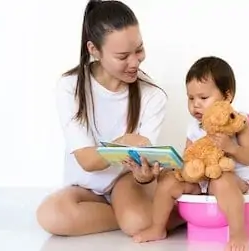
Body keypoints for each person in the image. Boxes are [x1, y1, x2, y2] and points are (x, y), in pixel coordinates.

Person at [36, 0, 184, 237]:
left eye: (139, 50)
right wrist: (125, 141)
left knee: (136, 222)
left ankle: (149, 215)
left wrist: (144, 176)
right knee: (51, 215)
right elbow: (87, 160)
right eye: (123, 56)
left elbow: (143, 160)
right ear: (94, 50)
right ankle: (144, 215)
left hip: (125, 180)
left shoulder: (152, 95)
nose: (135, 62)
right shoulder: (70, 87)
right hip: (86, 186)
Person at [129, 56, 249, 251]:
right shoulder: (193, 127)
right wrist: (174, 167)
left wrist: (231, 148)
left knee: (222, 180)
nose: (195, 104)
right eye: (191, 98)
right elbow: (189, 156)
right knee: (168, 182)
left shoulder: (239, 122)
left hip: (233, 179)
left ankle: (238, 232)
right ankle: (157, 227)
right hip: (201, 180)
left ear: (227, 96)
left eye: (203, 98)